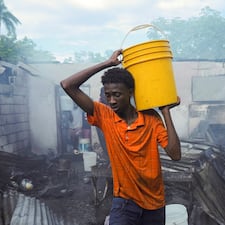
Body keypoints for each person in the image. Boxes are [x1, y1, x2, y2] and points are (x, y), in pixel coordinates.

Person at [60, 49, 181, 225]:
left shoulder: (150, 119)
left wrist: (165, 112)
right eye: (108, 95)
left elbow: (175, 155)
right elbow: (67, 85)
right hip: (124, 202)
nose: (112, 101)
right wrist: (107, 63)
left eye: (117, 94)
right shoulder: (105, 115)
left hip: (154, 203)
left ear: (130, 92)